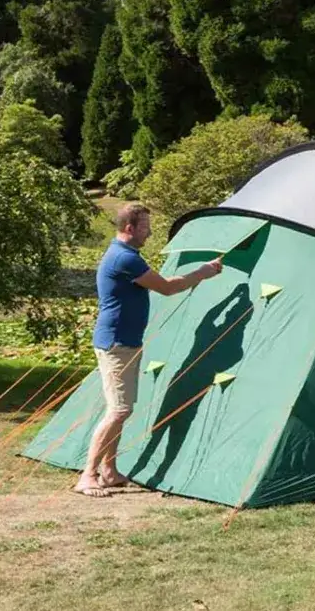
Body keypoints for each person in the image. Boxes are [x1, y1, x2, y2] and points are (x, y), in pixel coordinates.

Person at [73, 203, 224, 498]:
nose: (150, 232)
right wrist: (203, 272)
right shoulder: (124, 258)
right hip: (116, 343)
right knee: (119, 410)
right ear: (130, 228)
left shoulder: (127, 256)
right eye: (145, 227)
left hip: (126, 342)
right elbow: (168, 287)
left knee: (122, 410)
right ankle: (87, 476)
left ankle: (109, 470)